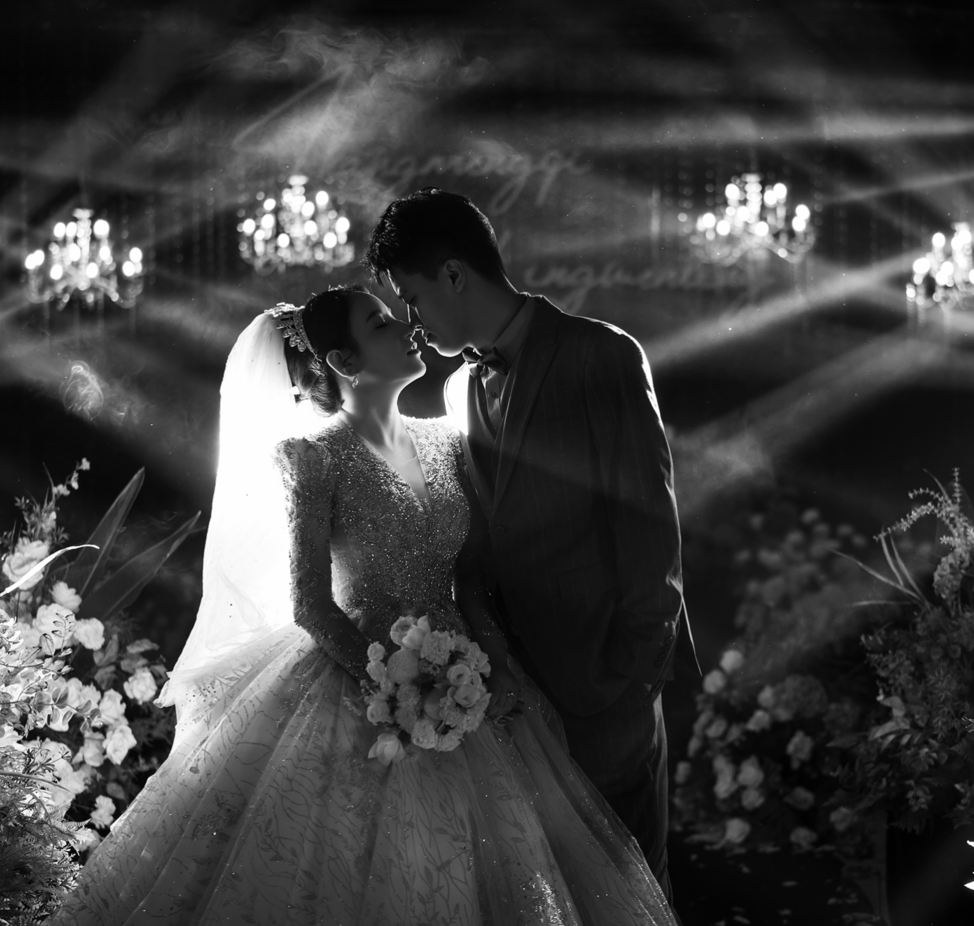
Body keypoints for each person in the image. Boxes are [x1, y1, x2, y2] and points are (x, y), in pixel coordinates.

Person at [49, 285, 677, 925]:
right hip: (356, 678)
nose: (407, 326)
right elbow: (311, 604)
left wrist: (493, 667)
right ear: (345, 362)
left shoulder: (449, 440)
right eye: (380, 322)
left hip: (461, 673)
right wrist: (393, 689)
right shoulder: (312, 457)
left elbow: (471, 580)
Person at [363, 188, 691, 898]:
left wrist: (633, 673)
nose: (412, 323)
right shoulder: (458, 388)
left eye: (413, 299)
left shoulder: (599, 354)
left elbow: (648, 523)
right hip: (517, 697)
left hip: (608, 685)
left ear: (454, 274)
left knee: (634, 888)